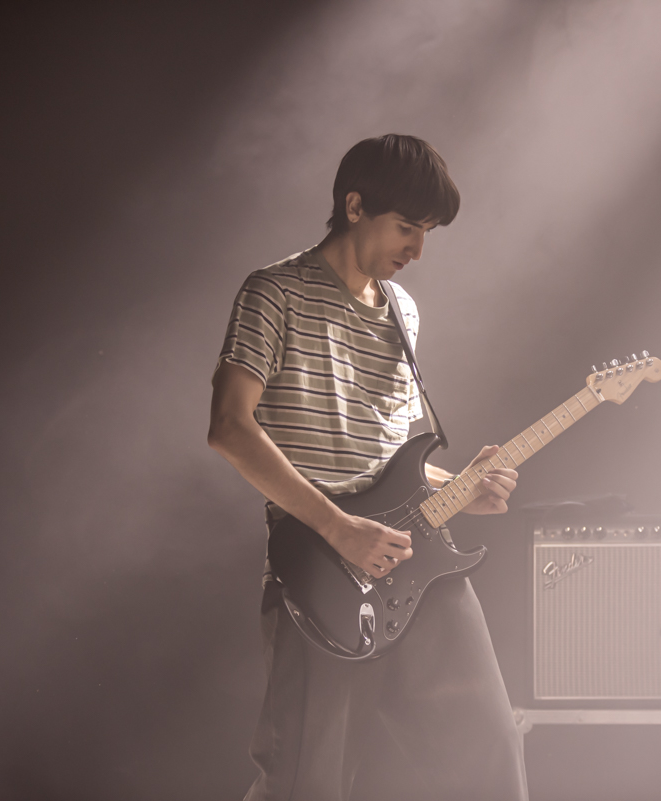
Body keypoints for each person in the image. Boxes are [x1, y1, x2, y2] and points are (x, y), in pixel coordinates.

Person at [208, 134, 528, 800]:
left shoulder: (403, 313)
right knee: (306, 779)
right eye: (407, 226)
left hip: (415, 561)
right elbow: (231, 428)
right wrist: (339, 528)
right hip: (319, 566)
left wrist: (461, 488)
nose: (417, 250)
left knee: (490, 753)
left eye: (427, 232)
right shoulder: (274, 293)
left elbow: (391, 462)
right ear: (355, 206)